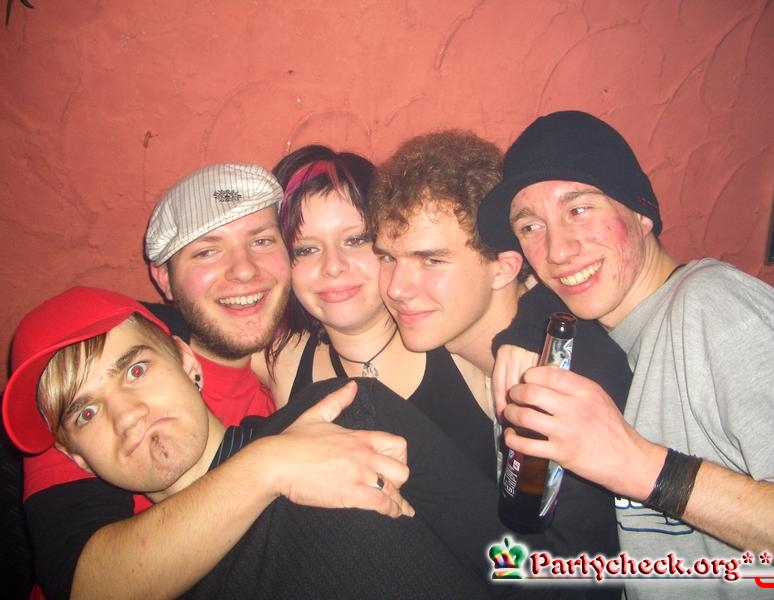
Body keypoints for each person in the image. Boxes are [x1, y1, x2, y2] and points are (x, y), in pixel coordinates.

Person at [17, 164, 412, 600]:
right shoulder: (95, 380)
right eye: (207, 251)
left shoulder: (294, 369)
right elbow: (89, 587)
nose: (243, 271)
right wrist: (269, 465)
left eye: (261, 241)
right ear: (164, 278)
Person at [3, 287, 528, 599]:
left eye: (136, 370)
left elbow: (518, 561)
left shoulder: (345, 409)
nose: (127, 415)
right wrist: (268, 466)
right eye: (86, 412)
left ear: (188, 363)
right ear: (74, 456)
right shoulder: (142, 577)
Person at [477, 110, 774, 599]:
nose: (557, 251)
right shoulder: (608, 332)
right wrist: (526, 325)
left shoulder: (714, 306)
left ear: (641, 213)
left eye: (579, 210)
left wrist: (641, 466)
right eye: (531, 227)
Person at [367, 130, 632, 596]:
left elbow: (578, 579)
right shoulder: (445, 345)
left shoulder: (572, 378)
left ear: (505, 267)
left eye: (431, 261)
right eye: (388, 258)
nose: (396, 288)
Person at [259, 144, 493, 477]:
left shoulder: (458, 339)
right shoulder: (285, 360)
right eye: (306, 249)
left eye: (356, 240)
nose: (333, 266)